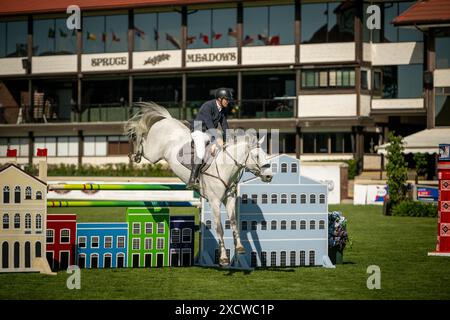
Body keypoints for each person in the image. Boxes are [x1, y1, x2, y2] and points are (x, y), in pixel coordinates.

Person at [187, 87, 233, 189]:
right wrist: (217, 139)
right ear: (220, 99)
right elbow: (209, 123)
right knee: (201, 152)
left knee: (219, 151)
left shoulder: (222, 110)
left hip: (208, 133)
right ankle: (192, 180)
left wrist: (229, 139)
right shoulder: (208, 106)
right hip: (198, 131)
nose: (228, 102)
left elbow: (224, 125)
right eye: (227, 99)